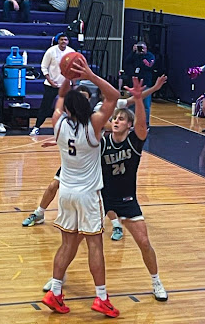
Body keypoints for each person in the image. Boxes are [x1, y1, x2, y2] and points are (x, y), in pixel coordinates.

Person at [24, 76, 168, 237]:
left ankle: (115, 224)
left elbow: (134, 99)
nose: (116, 120)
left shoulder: (112, 108)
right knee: (54, 186)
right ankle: (39, 212)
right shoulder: (97, 112)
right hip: (84, 155)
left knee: (106, 190)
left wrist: (154, 88)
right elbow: (78, 135)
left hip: (98, 151)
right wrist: (58, 141)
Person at [41, 56, 120, 317]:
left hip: (66, 192)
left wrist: (66, 80)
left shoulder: (59, 124)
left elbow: (58, 102)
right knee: (94, 245)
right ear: (86, 106)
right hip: (87, 194)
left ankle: (55, 292)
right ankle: (101, 298)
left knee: (66, 245)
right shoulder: (94, 125)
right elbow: (114, 95)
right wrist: (89, 74)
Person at [101, 77, 168, 302]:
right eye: (115, 118)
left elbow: (141, 123)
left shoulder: (133, 141)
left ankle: (156, 281)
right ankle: (58, 279)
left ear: (128, 125)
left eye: (121, 119)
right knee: (75, 240)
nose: (117, 121)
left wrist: (139, 99)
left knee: (144, 242)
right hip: (102, 198)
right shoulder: (102, 142)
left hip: (127, 199)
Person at [30, 33, 74, 135]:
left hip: (66, 85)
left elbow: (74, 68)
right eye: (61, 39)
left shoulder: (72, 52)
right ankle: (36, 127)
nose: (63, 41)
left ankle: (71, 128)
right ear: (58, 41)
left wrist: (72, 83)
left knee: (69, 107)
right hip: (51, 84)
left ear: (68, 41)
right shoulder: (51, 51)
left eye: (65, 40)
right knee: (45, 107)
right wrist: (50, 81)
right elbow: (44, 67)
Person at [124, 41, 155, 127]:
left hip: (145, 83)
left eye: (142, 48)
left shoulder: (149, 56)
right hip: (134, 83)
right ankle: (131, 121)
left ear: (146, 48)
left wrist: (143, 55)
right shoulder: (134, 55)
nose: (141, 49)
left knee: (146, 105)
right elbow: (126, 63)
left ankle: (145, 123)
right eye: (139, 47)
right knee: (132, 104)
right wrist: (133, 52)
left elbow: (149, 65)